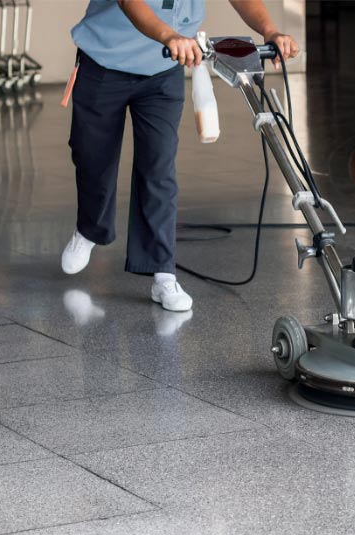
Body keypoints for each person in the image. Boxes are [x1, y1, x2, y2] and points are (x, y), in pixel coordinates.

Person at [62, 0, 300, 312]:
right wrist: (168, 36)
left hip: (163, 70)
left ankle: (163, 273)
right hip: (104, 61)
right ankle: (90, 228)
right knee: (93, 159)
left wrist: (270, 30)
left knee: (158, 168)